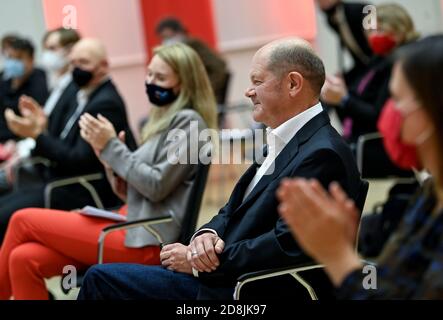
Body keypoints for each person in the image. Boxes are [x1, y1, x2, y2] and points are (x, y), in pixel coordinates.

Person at [77, 37, 363, 300]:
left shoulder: (323, 152)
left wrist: (200, 262)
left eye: (257, 81)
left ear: (292, 84)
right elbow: (230, 211)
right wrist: (206, 236)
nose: (248, 91)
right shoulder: (288, 139)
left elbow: (287, 245)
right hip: (226, 279)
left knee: (101, 280)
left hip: (246, 291)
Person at [0, 42, 217, 300]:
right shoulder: (164, 121)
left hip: (146, 239)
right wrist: (112, 165)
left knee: (21, 219)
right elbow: (137, 189)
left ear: (183, 84)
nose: (150, 82)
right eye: (149, 74)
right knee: (23, 258)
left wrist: (112, 147)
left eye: (160, 77)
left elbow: (156, 186)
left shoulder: (190, 123)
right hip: (126, 220)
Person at [277, 35, 443, 299]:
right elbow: (393, 287)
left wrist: (338, 256)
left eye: (397, 100)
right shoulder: (431, 193)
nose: (389, 114)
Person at [0, 38, 133, 244]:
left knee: (5, 217)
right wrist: (40, 126)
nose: (76, 69)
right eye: (73, 63)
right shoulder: (80, 93)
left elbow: (78, 160)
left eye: (84, 63)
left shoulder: (105, 103)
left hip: (82, 188)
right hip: (58, 181)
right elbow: (60, 141)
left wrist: (37, 134)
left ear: (104, 66)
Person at [321, 3, 419, 144]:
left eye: (379, 30)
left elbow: (378, 116)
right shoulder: (376, 60)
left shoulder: (400, 65)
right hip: (355, 139)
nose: (373, 37)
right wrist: (338, 95)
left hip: (374, 146)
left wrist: (344, 99)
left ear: (399, 30)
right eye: (370, 31)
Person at [0, 28, 81, 195]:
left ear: (70, 51)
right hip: (31, 155)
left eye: (52, 48)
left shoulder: (69, 89)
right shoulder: (58, 87)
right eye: (46, 48)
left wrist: (21, 150)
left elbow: (55, 137)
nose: (47, 55)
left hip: (50, 172)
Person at [156, 17, 229, 105]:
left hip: (201, 100)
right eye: (163, 38)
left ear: (179, 32)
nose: (166, 41)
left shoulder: (193, 45)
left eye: (168, 36)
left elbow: (219, 66)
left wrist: (204, 90)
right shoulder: (174, 53)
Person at [0, 37, 49, 142]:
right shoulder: (4, 79)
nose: (13, 62)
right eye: (10, 57)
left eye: (19, 58)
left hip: (22, 140)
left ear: (31, 59)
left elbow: (34, 120)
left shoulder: (39, 80)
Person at [316, 0, 373, 86]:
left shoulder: (359, 10)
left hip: (376, 64)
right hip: (363, 66)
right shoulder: (331, 20)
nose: (320, 3)